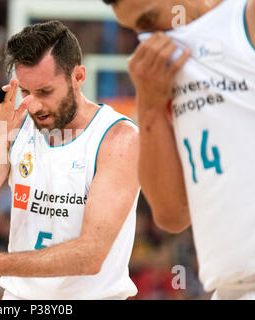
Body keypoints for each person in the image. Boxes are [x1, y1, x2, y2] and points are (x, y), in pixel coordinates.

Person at [0, 20, 141, 300]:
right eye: (26, 92)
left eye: (45, 92)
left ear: (78, 77)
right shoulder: (18, 125)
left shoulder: (118, 139)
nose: (34, 105)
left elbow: (91, 255)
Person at [102, 0, 255, 299]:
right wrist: (148, 106)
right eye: (136, 30)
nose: (147, 40)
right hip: (229, 287)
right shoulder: (161, 74)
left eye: (150, 21)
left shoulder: (244, 19)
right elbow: (172, 214)